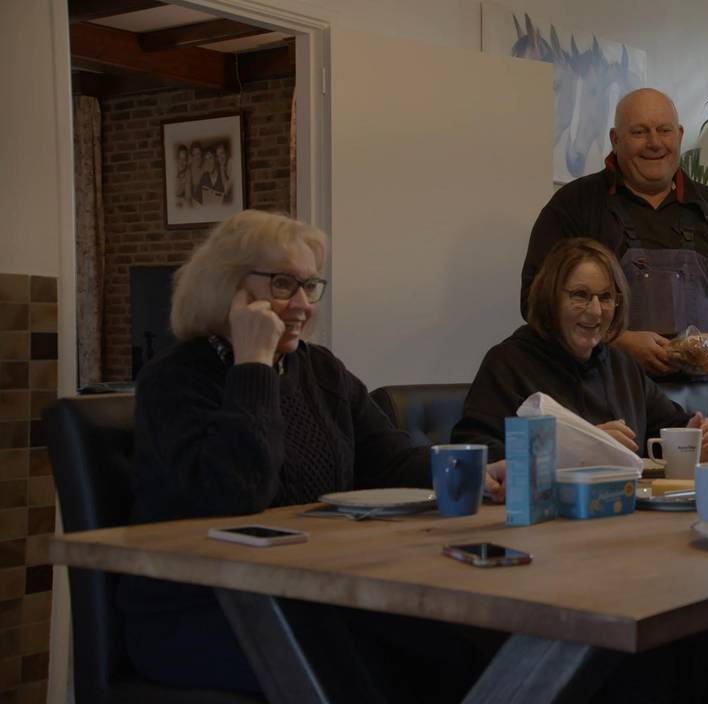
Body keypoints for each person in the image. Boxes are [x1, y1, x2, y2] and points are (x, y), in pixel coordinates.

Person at [124, 209, 504, 700]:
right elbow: (235, 492)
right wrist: (254, 363)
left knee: (467, 645)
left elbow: (388, 460)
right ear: (228, 289)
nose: (302, 304)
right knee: (376, 669)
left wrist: (475, 471)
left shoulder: (320, 370)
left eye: (310, 286)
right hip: (204, 607)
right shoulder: (175, 379)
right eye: (284, 285)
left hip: (314, 591)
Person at [520, 88, 708, 378]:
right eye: (639, 132)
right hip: (603, 393)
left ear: (678, 134)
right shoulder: (574, 205)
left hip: (701, 400)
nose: (654, 143)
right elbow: (535, 301)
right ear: (616, 139)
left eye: (664, 130)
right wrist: (616, 341)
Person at [455, 237, 708, 462]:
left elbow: (669, 424)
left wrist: (697, 435)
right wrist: (580, 448)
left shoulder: (622, 366)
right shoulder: (508, 364)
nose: (596, 311)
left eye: (606, 297)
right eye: (580, 295)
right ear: (550, 298)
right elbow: (473, 452)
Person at [174, 144, 191, 209]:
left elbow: (188, 195)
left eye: (184, 159)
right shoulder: (173, 171)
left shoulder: (187, 171)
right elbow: (176, 194)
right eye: (180, 159)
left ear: (186, 160)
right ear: (177, 159)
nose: (182, 162)